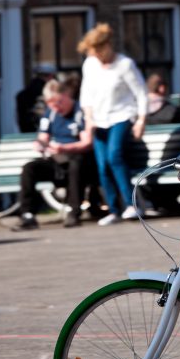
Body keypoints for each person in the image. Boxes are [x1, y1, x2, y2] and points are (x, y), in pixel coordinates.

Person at [78, 23, 148, 227]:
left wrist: (141, 120)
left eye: (99, 51)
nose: (98, 56)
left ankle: (131, 204)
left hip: (121, 116)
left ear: (108, 46)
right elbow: (86, 94)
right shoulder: (90, 64)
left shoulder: (125, 65)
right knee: (102, 166)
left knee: (114, 155)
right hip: (99, 120)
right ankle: (113, 209)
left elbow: (140, 93)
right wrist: (88, 119)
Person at [12, 77, 99, 230]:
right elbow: (43, 137)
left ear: (66, 95)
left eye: (58, 102)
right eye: (51, 104)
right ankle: (27, 215)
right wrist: (41, 144)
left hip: (82, 161)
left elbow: (87, 143)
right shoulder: (50, 114)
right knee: (29, 168)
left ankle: (74, 212)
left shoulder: (81, 112)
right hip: (57, 160)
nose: (56, 107)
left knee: (76, 164)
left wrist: (65, 148)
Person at [16, 65, 56, 133]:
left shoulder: (23, 94)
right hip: (46, 132)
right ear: (50, 76)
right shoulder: (50, 92)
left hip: (28, 133)